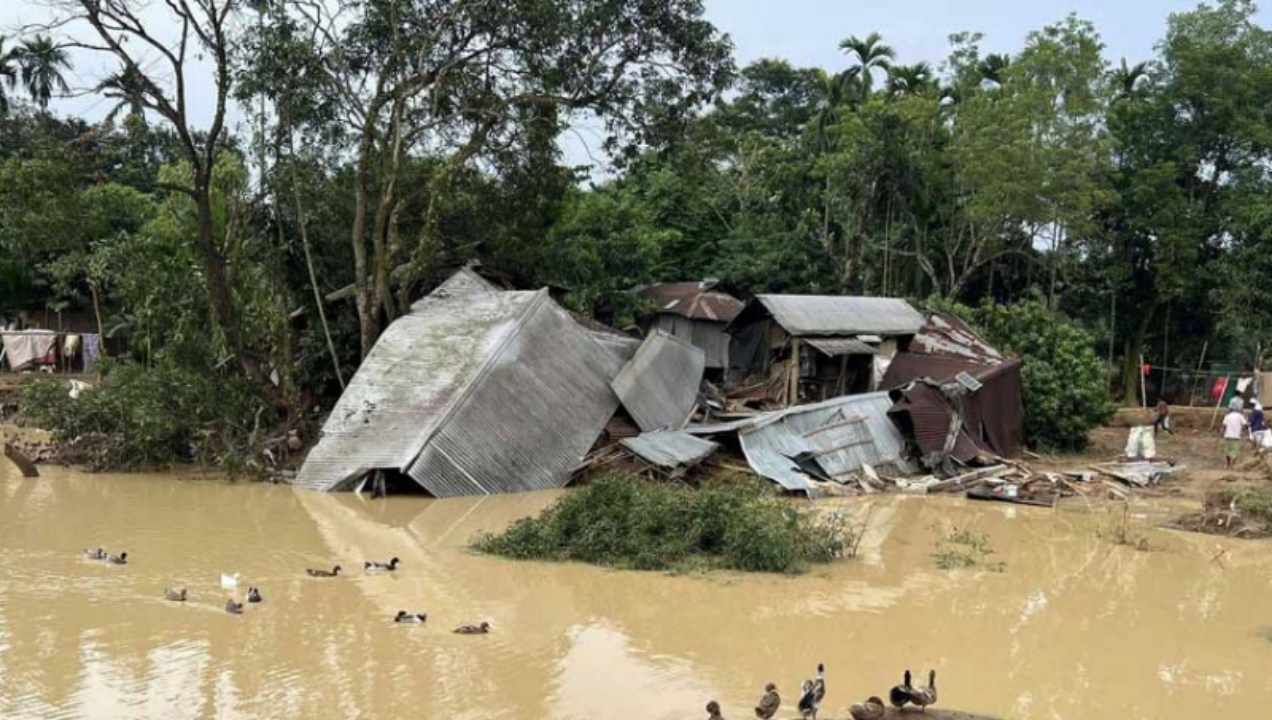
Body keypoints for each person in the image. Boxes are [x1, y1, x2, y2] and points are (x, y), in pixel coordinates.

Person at [1222, 404, 1248, 469]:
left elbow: (1224, 426)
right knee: (1235, 451)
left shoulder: (1227, 416)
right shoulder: (1240, 416)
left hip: (1227, 435)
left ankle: (1228, 464)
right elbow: (1245, 424)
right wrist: (1243, 430)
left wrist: (1222, 432)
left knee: (1227, 451)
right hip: (1236, 436)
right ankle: (1232, 465)